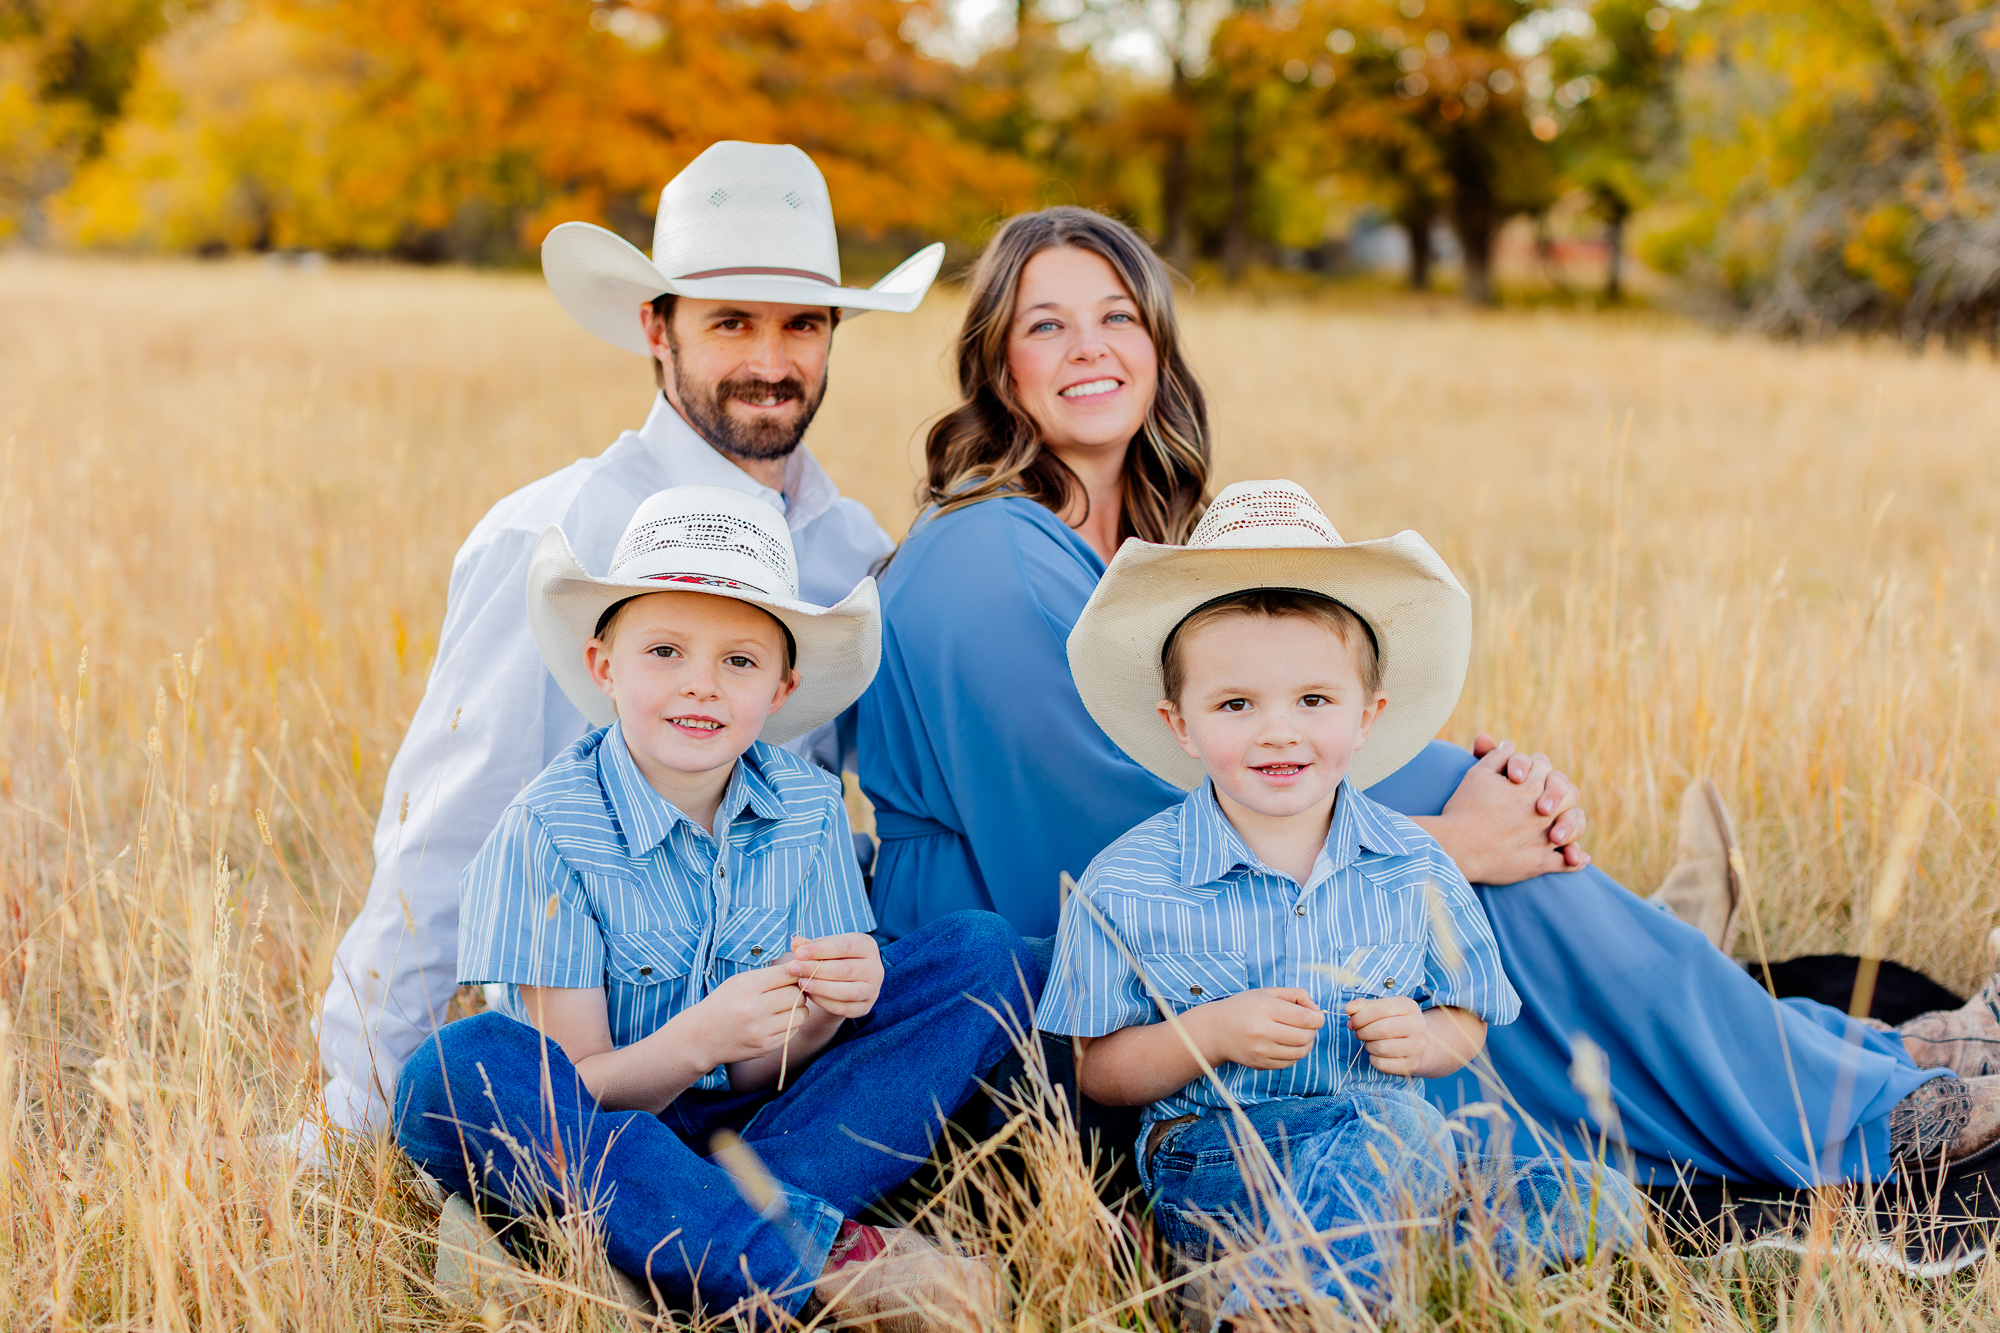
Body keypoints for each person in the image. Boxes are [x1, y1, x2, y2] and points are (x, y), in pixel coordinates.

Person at [854, 204, 2000, 1190]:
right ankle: (1851, 1111)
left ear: (1156, 345)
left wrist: (1485, 793)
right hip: (1050, 985)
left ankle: (1871, 1059)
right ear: (999, 366)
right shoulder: (979, 565)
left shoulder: (1133, 542)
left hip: (1206, 907)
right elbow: (1099, 844)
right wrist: (1450, 843)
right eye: (1044, 324)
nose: (1087, 347)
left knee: (1493, 845)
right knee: (1482, 897)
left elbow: (1274, 730)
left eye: (1115, 316)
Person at [319, 140, 947, 1138]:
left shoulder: (845, 552)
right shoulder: (557, 537)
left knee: (979, 959)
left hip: (780, 1047)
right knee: (486, 1079)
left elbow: (865, 812)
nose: (770, 364)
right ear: (656, 326)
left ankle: (732, 1207)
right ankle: (776, 1235)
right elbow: (443, 844)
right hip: (603, 1055)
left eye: (802, 325)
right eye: (730, 322)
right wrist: (355, 1121)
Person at [395, 487, 1033, 1325]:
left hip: (769, 1127)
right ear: (604, 666)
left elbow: (771, 1073)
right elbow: (578, 1085)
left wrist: (824, 1013)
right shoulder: (550, 828)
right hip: (607, 1124)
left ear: (779, 687)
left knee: (984, 954)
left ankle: (650, 1248)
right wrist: (700, 1034)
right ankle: (817, 1263)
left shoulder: (807, 808)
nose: (701, 686)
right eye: (665, 650)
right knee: (457, 1069)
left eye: (738, 661)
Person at [1038, 479, 1639, 1311]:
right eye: (1236, 703)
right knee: (1401, 1137)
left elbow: (1465, 1019)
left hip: (1398, 1149)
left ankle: (1311, 1274)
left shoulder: (1415, 866)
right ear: (1181, 723)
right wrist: (1209, 1029)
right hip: (1219, 1155)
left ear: (1367, 715)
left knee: (1595, 1192)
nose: (1278, 730)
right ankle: (1288, 1307)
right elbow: (1095, 1070)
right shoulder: (1129, 881)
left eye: (1314, 700)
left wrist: (1420, 1038)